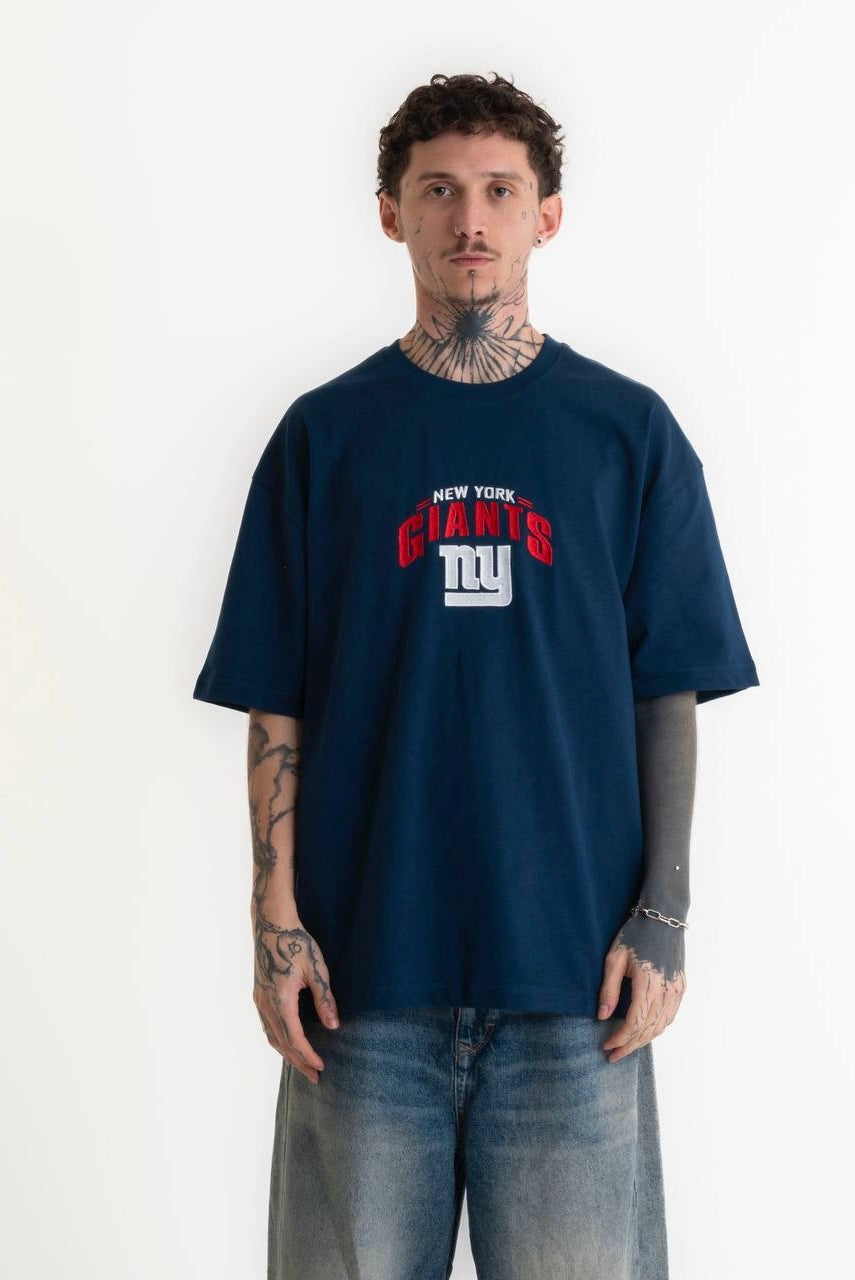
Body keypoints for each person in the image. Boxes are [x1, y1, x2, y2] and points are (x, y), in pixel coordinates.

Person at [192, 71, 759, 1280]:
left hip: (574, 983)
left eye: (500, 190)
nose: (470, 219)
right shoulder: (323, 437)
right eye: (438, 189)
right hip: (360, 981)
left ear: (545, 215)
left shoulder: (627, 433)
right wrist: (273, 920)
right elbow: (275, 695)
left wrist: (662, 914)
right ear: (389, 212)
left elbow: (667, 690)